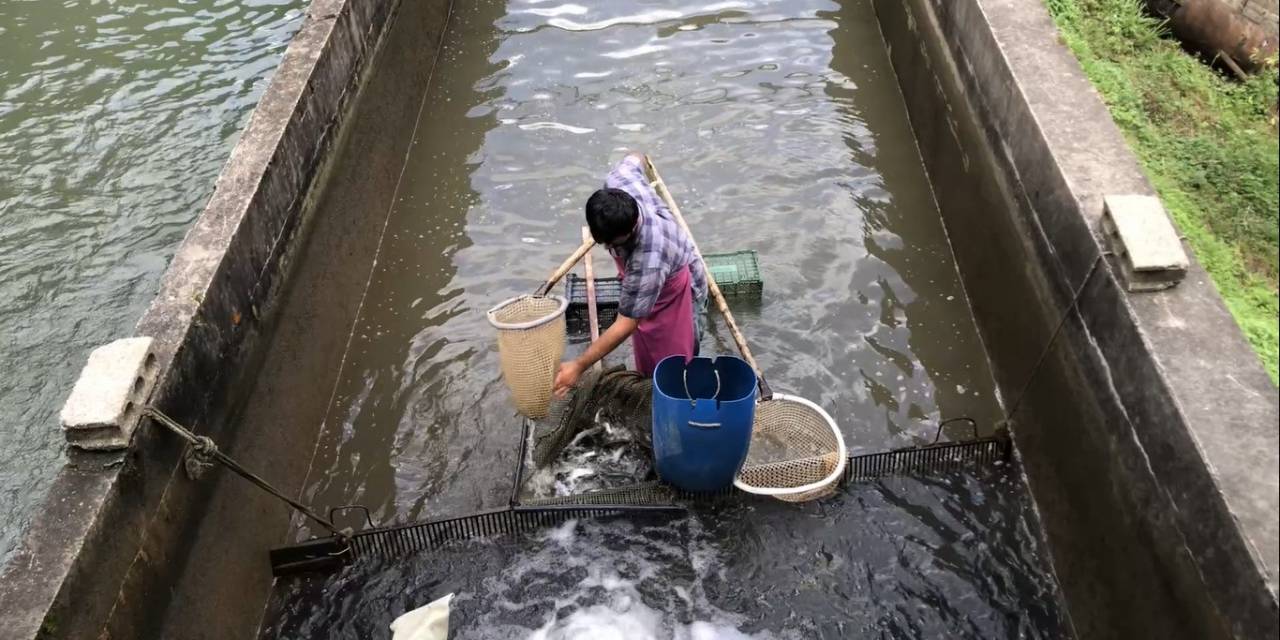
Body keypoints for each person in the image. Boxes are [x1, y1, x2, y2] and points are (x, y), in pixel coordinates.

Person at [552, 153, 707, 397]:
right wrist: (646, 160)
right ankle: (650, 384)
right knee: (647, 351)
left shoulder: (648, 259)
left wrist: (578, 365)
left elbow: (626, 323)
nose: (606, 248)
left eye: (611, 244)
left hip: (675, 286)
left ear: (631, 229)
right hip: (646, 280)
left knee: (676, 367)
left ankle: (678, 397)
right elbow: (637, 157)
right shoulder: (620, 181)